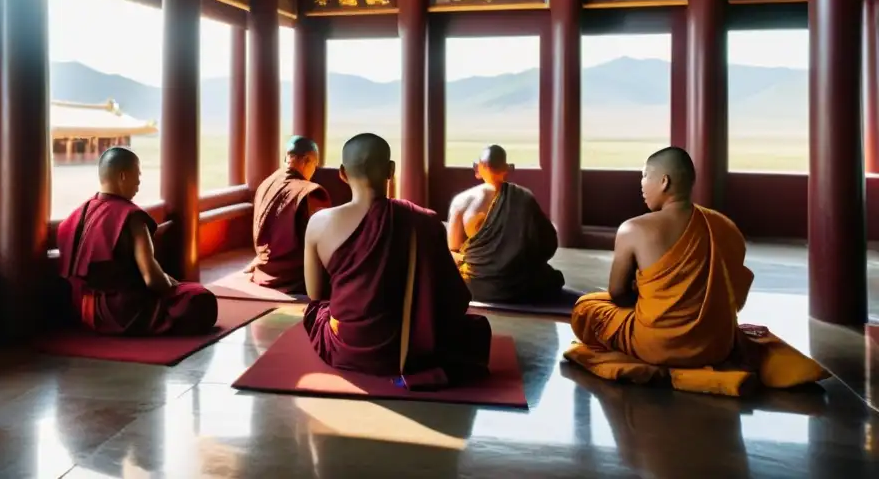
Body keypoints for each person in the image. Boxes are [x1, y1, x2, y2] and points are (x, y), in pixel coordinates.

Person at [565, 146, 828, 395]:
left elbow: (618, 294)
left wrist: (647, 297)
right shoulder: (724, 226)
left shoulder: (633, 229)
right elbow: (734, 297)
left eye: (645, 176)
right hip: (716, 346)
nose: (641, 185)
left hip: (656, 345)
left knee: (587, 307)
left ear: (664, 182)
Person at [303, 133, 492, 387]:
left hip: (345, 346)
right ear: (391, 170)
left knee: (316, 313)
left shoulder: (318, 223)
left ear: (342, 173)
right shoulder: (424, 222)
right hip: (411, 351)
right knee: (476, 331)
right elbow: (455, 299)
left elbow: (315, 295)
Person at [56, 147, 218, 335]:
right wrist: (175, 286)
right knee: (201, 298)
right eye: (137, 175)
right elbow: (152, 279)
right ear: (123, 176)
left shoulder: (76, 215)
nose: (139, 182)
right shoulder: (132, 217)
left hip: (80, 310)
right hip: (123, 311)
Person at [447, 145, 564, 304]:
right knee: (552, 277)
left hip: (474, 285)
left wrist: (481, 263)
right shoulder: (524, 198)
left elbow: (452, 251)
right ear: (506, 169)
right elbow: (549, 245)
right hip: (516, 285)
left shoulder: (462, 201)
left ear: (480, 168)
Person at [244, 136, 331, 293]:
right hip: (294, 276)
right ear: (306, 160)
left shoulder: (266, 183)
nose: (314, 170)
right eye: (314, 164)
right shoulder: (308, 192)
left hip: (265, 269)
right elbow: (321, 240)